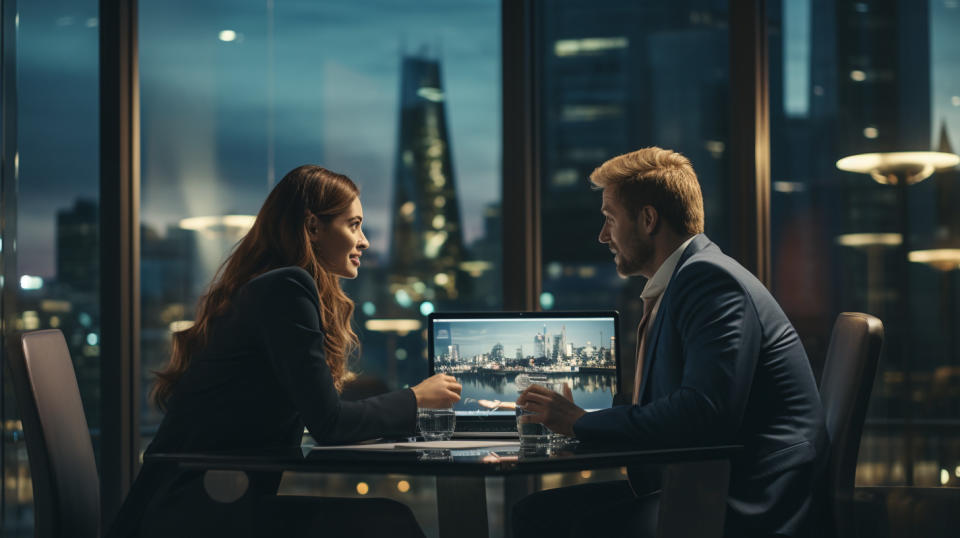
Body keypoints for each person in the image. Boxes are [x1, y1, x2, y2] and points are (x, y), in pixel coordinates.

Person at [107, 165, 462, 538]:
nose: (364, 241)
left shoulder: (272, 287)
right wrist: (415, 399)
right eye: (353, 225)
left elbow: (315, 411)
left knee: (388, 519)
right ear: (312, 228)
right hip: (196, 513)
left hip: (206, 503)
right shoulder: (287, 287)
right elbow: (331, 424)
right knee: (389, 522)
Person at [514, 147, 827, 538]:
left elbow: (703, 412)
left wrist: (581, 423)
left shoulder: (710, 282)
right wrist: (586, 418)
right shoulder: (685, 281)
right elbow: (682, 405)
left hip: (748, 500)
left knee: (560, 523)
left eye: (610, 219)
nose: (602, 236)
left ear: (648, 220)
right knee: (536, 514)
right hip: (712, 483)